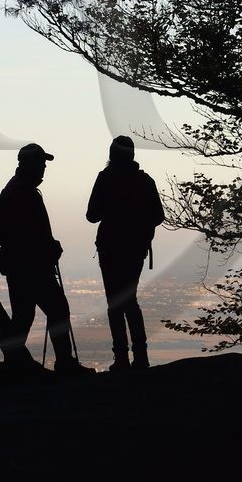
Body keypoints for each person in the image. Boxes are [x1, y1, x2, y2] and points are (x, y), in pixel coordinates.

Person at [0, 143, 93, 376]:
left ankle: (16, 363)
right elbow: (29, 233)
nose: (44, 167)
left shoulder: (15, 189)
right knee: (57, 310)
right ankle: (63, 363)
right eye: (41, 163)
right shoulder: (23, 192)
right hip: (32, 266)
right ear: (29, 164)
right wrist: (50, 247)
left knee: (25, 315)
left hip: (20, 266)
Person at [86, 135, 165, 371]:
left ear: (111, 155)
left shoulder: (106, 179)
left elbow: (91, 215)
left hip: (110, 248)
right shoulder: (144, 181)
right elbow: (158, 216)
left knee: (115, 303)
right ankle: (141, 357)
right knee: (130, 300)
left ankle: (121, 358)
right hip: (135, 249)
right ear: (132, 155)